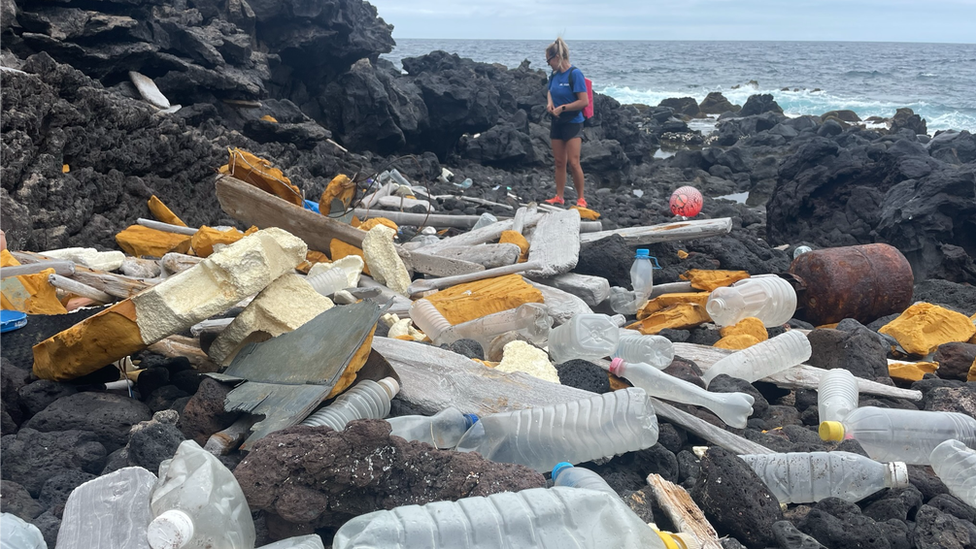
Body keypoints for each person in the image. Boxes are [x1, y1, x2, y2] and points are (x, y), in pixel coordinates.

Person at [544, 37, 589, 208]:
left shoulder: (574, 74)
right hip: (557, 122)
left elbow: (583, 101)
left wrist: (563, 108)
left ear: (556, 57)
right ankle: (559, 196)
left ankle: (581, 198)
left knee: (574, 162)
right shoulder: (554, 75)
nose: (548, 64)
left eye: (548, 60)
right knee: (559, 162)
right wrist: (550, 103)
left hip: (573, 122)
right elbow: (550, 90)